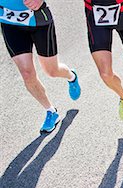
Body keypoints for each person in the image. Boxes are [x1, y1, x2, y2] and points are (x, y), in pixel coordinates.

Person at [0, 0, 81, 133]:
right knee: (27, 74)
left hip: (38, 18)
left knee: (52, 71)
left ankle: (71, 76)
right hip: (9, 23)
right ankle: (51, 111)